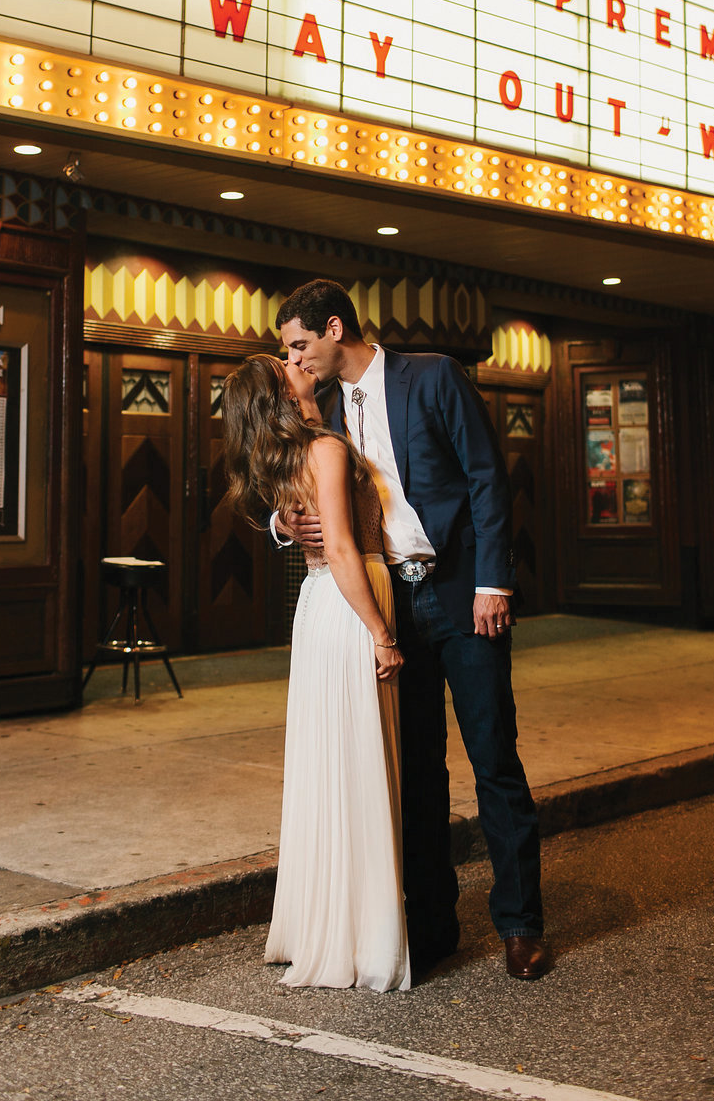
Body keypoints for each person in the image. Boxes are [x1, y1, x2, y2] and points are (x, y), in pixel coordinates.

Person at [273, 279, 547, 981]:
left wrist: (493, 583)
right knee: (416, 773)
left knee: (495, 758)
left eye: (300, 344)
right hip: (390, 608)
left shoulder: (433, 376)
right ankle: (431, 928)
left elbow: (488, 479)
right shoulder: (323, 408)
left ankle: (520, 924)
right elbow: (290, 483)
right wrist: (283, 524)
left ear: (335, 328)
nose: (295, 360)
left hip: (460, 595)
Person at [221, 353, 411, 992]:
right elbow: (338, 543)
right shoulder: (325, 447)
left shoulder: (287, 453)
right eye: (285, 360)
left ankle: (321, 922)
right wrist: (382, 633)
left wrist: (284, 522)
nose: (296, 359)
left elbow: (306, 528)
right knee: (356, 763)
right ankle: (360, 932)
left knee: (328, 765)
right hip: (351, 599)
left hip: (318, 604)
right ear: (282, 387)